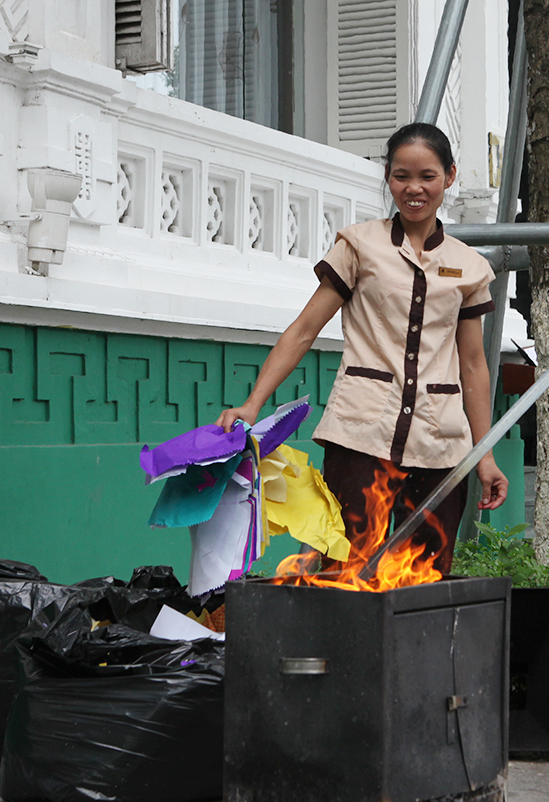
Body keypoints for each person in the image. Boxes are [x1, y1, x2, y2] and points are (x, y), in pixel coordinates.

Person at [217, 123, 508, 572]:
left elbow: (473, 365)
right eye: (401, 176)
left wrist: (483, 455)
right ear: (388, 177)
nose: (414, 188)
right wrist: (253, 404)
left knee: (426, 575)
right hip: (361, 434)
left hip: (440, 442)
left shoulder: (468, 266)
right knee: (342, 566)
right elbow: (303, 330)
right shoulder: (359, 245)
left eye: (427, 176)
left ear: (449, 177)